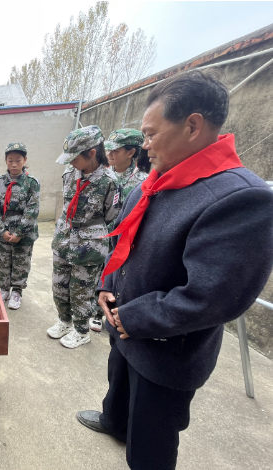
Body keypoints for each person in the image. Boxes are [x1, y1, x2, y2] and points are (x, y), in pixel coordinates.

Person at [76, 70, 273, 470]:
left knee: (152, 440)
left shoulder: (239, 198)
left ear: (193, 126)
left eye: (149, 135)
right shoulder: (155, 181)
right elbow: (123, 246)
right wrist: (105, 285)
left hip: (167, 349)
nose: (143, 146)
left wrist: (132, 317)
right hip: (126, 328)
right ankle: (114, 422)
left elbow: (213, 297)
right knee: (119, 390)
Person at [48, 126, 119, 348]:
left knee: (81, 290)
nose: (70, 163)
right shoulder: (70, 174)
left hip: (89, 246)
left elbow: (111, 216)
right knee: (59, 285)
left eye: (74, 158)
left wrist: (89, 231)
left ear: (91, 153)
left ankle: (81, 330)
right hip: (64, 238)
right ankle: (64, 321)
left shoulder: (109, 181)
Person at [89, 128, 148, 332]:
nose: (110, 154)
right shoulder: (102, 175)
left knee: (117, 276)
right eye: (108, 150)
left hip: (126, 239)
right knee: (96, 274)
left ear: (131, 152)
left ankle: (113, 314)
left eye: (116, 150)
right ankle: (95, 312)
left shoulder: (143, 181)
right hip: (100, 235)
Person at [0, 143, 40, 310]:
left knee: (20, 262)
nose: (14, 164)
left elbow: (32, 210)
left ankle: (17, 291)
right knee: (4, 261)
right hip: (4, 230)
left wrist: (19, 233)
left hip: (24, 233)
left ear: (24, 160)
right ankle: (4, 288)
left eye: (18, 160)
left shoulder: (32, 183)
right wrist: (2, 231)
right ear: (5, 161)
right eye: (10, 160)